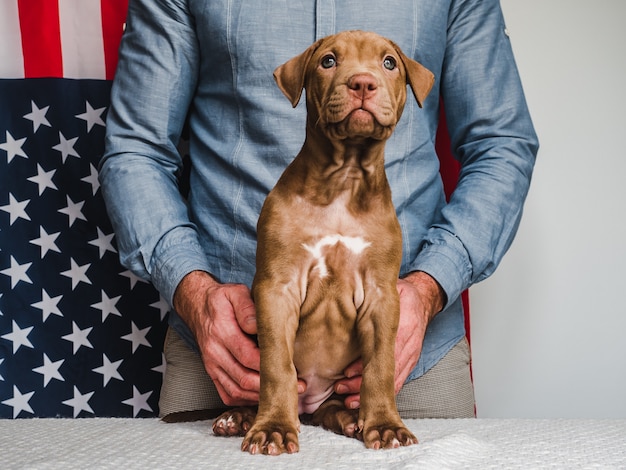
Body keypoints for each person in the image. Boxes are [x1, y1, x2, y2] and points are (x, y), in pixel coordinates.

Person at [100, 0, 538, 420]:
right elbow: (135, 149)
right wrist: (195, 296)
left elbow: (502, 144)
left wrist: (428, 289)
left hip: (410, 359)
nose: (362, 80)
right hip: (229, 353)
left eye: (385, 66)